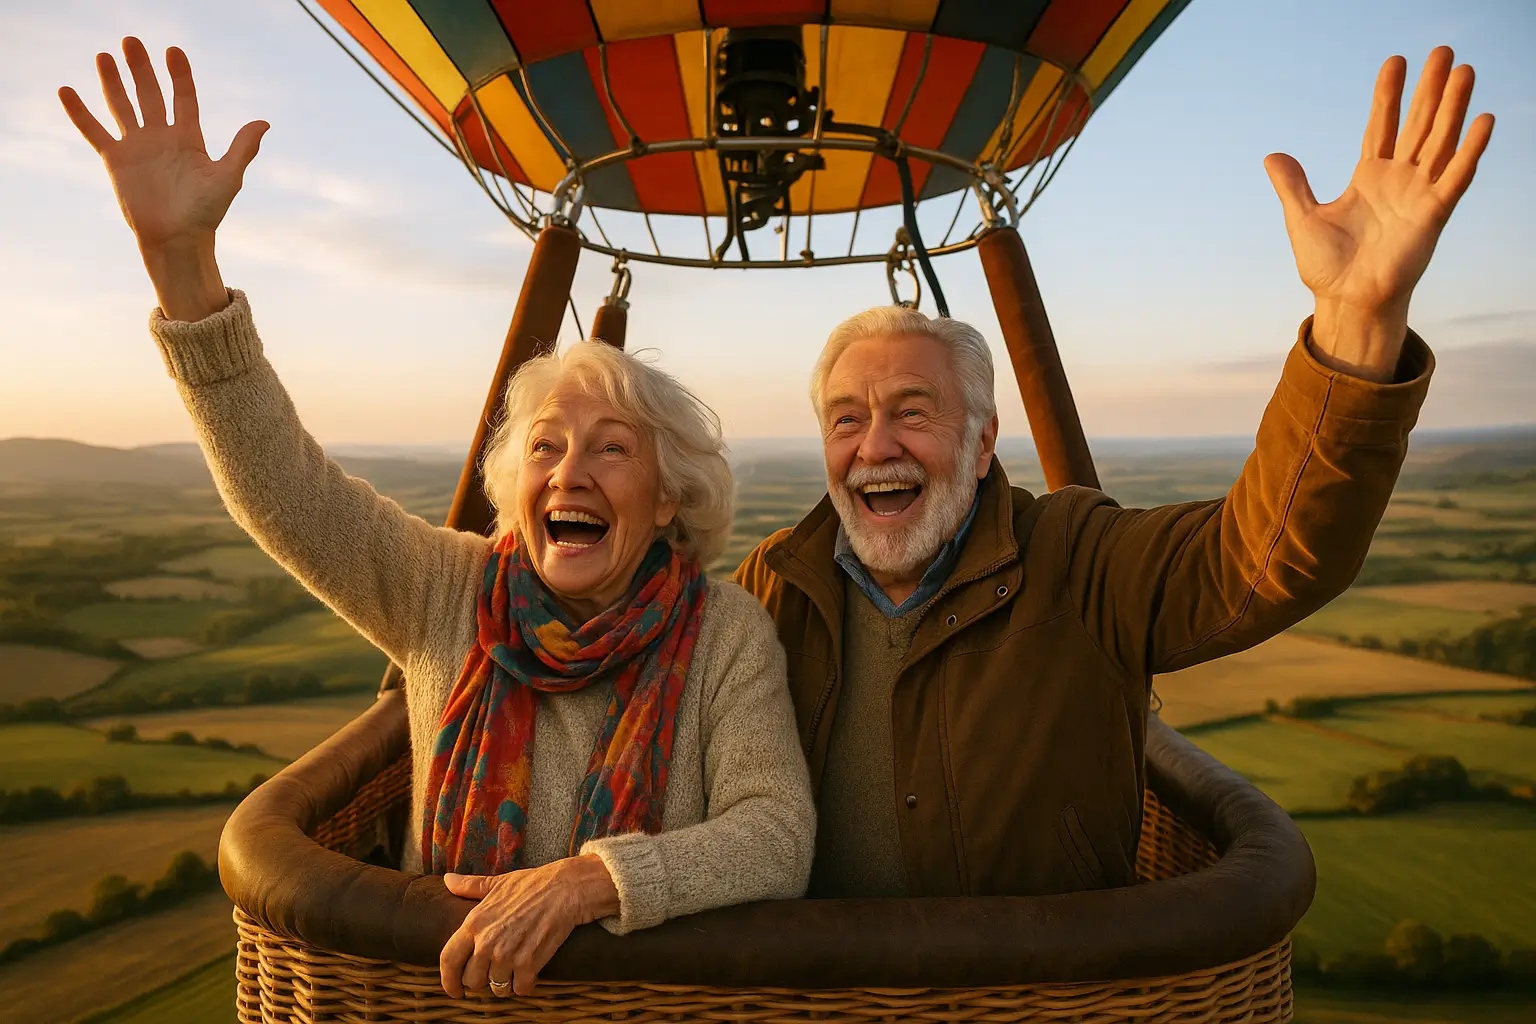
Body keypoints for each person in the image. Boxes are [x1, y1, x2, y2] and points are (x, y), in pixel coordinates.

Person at [60, 39, 814, 1000]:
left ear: (669, 498)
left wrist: (589, 883)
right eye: (545, 446)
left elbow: (776, 836)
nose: (568, 472)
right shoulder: (445, 590)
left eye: (612, 448)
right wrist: (181, 263)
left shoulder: (724, 636)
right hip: (441, 1006)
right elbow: (287, 490)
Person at [736, 48, 1493, 899]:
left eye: (912, 411)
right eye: (847, 419)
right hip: (812, 993)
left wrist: (1356, 323)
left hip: (1035, 994)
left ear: (984, 443)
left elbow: (1263, 556)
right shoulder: (774, 584)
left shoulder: (1079, 557)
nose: (875, 445)